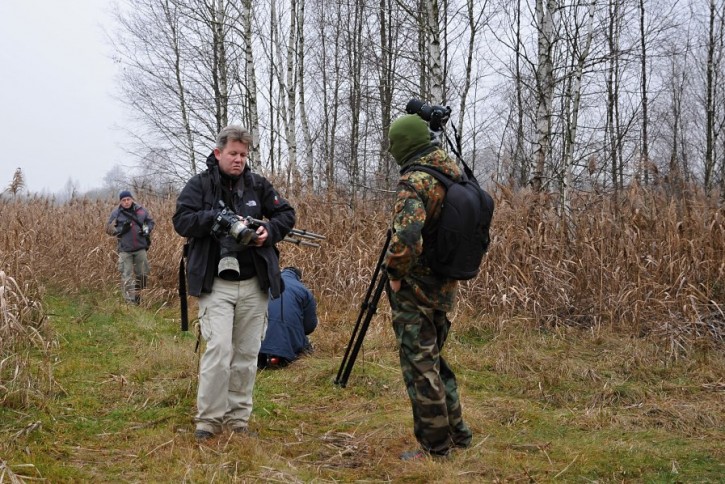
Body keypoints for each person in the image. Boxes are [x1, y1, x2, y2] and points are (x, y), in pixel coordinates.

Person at [172, 125, 296, 442]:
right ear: (218, 153)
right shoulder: (199, 185)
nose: (239, 160)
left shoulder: (258, 185)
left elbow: (287, 213)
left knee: (247, 353)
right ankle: (208, 422)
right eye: (233, 154)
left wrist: (270, 231)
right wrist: (217, 219)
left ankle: (238, 421)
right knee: (219, 349)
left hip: (254, 282)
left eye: (243, 154)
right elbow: (181, 220)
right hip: (216, 283)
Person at [383, 114, 473, 460]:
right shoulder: (451, 173)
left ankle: (435, 446)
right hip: (445, 285)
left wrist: (394, 272)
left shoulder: (415, 181)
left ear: (403, 145)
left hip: (416, 287)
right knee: (434, 359)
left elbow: (406, 237)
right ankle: (458, 432)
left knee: (420, 365)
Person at [258, 267, 318, 368]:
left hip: (258, 342)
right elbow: (309, 326)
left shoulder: (265, 283)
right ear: (299, 278)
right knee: (306, 348)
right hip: (288, 344)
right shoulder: (304, 290)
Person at [106, 190, 155, 305]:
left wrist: (147, 229)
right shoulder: (116, 213)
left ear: (132, 199)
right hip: (124, 250)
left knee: (142, 274)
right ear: (120, 202)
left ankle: (140, 298)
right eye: (124, 200)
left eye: (128, 199)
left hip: (140, 248)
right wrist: (120, 230)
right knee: (126, 275)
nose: (126, 202)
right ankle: (130, 302)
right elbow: (108, 228)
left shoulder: (141, 211)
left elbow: (150, 222)